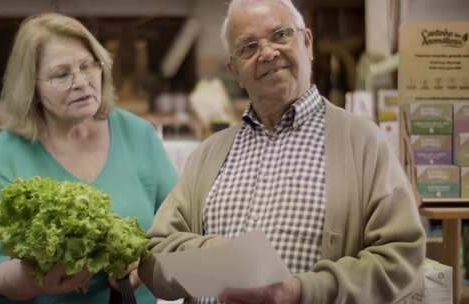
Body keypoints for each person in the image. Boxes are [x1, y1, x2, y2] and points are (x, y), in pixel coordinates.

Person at [138, 0, 425, 303]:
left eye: (280, 35)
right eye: (248, 47)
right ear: (234, 70)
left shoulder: (365, 144)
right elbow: (154, 255)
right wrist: (210, 256)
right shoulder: (209, 154)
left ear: (307, 43)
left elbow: (402, 260)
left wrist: (301, 291)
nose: (268, 53)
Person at [0, 13, 178, 304]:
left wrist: (148, 263)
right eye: (61, 74)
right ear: (32, 86)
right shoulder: (4, 155)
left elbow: (179, 226)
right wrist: (31, 280)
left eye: (87, 66)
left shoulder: (138, 134)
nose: (81, 82)